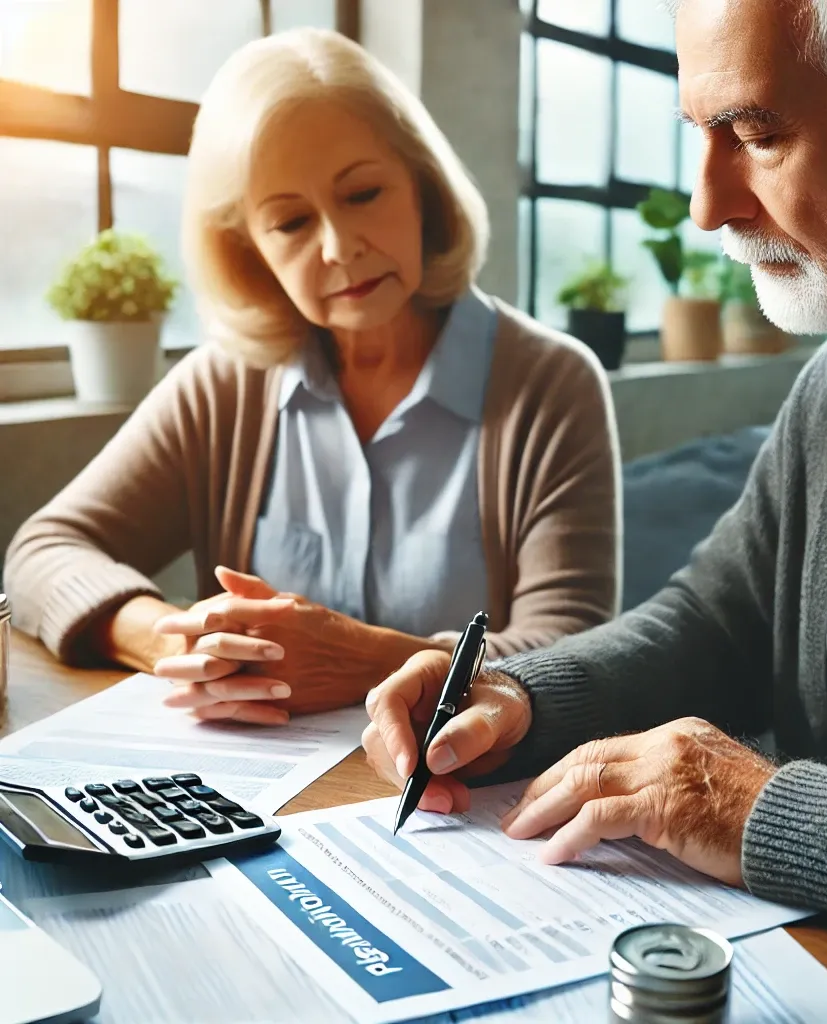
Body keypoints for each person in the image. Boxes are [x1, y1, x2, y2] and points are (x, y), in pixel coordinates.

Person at [363, 0, 827, 1011]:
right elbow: (717, 619)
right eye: (699, 136)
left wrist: (768, 811)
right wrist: (523, 696)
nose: (707, 206)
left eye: (755, 135)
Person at [3, 29, 621, 724]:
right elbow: (42, 551)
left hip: (457, 803)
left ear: (422, 187)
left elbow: (574, 652)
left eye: (362, 193)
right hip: (252, 798)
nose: (338, 247)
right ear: (248, 251)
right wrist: (172, 637)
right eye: (291, 222)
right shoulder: (224, 386)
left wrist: (362, 660)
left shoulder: (551, 384)